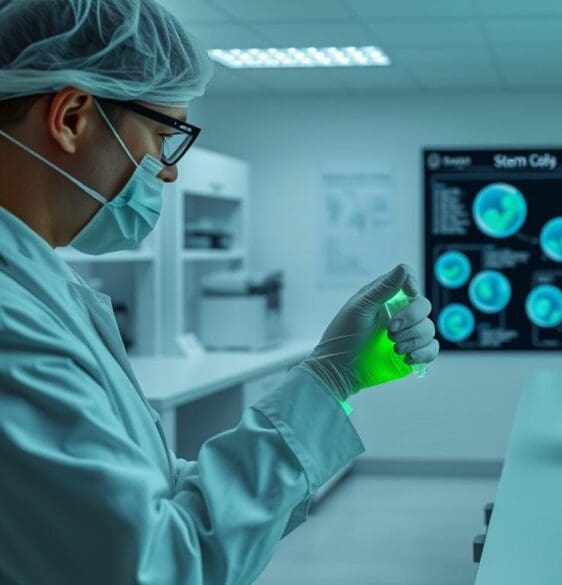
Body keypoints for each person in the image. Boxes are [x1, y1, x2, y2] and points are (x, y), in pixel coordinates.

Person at [0, 1, 439, 583]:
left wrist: (331, 379)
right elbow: (159, 566)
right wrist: (325, 382)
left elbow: (150, 495)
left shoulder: (40, 286)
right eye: (162, 135)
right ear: (73, 116)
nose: (170, 170)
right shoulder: (13, 322)